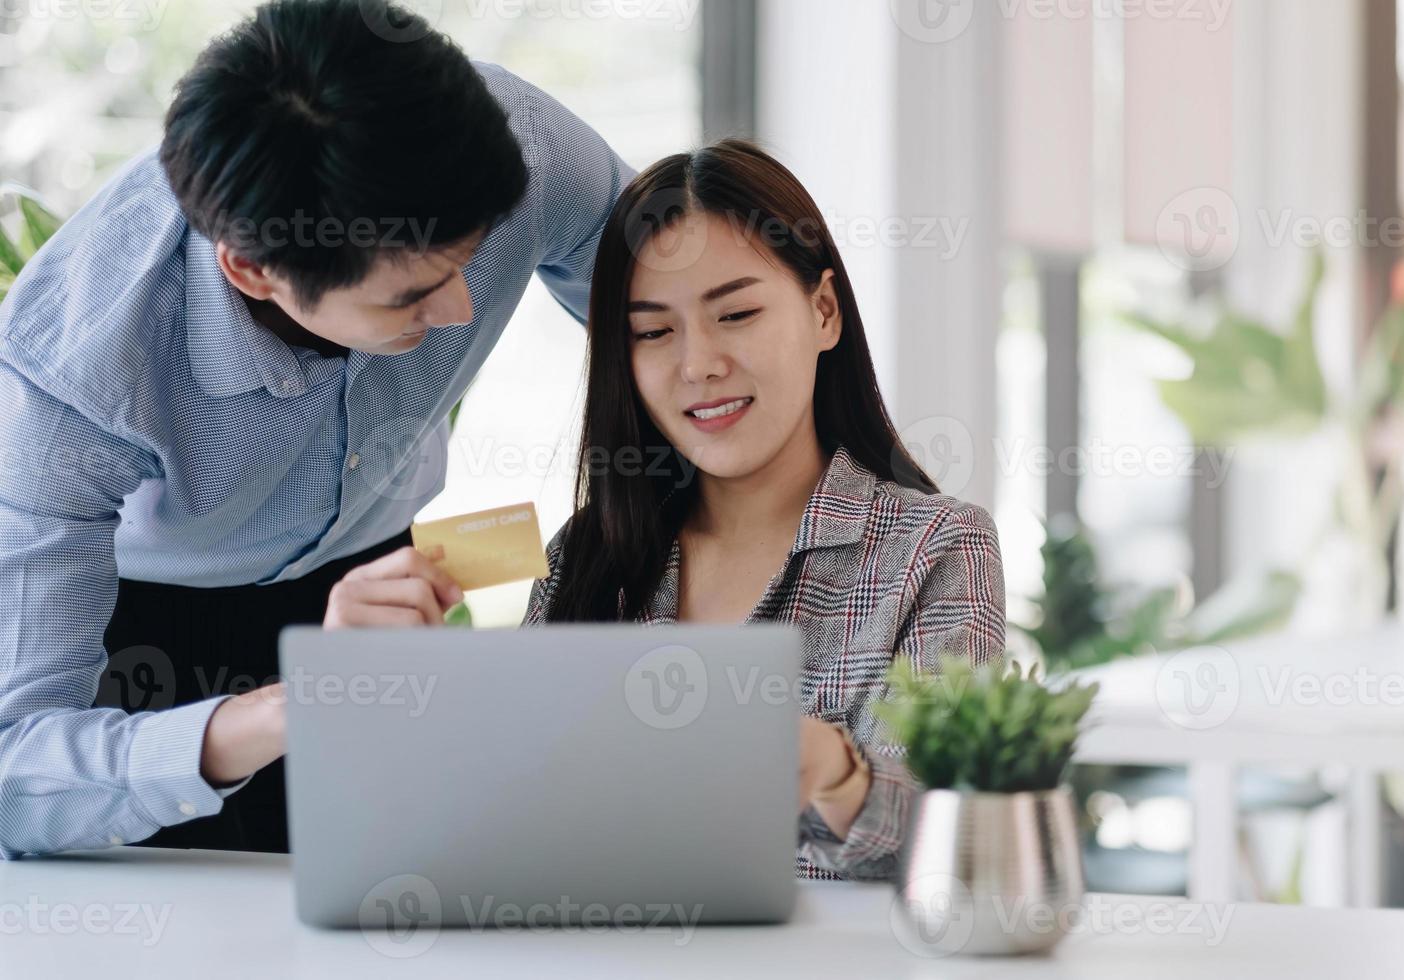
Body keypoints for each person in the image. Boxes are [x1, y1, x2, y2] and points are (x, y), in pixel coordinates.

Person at [0, 0, 632, 858]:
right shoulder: (70, 382)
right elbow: (17, 777)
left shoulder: (517, 142)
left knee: (407, 885)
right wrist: (300, 700)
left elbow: (667, 296)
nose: (463, 309)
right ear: (254, 272)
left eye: (469, 256)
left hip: (379, 572)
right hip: (154, 631)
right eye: (410, 295)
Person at [326, 140, 1008, 880]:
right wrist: (380, 683)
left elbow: (964, 843)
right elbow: (492, 834)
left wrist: (838, 776)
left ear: (823, 311)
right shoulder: (583, 556)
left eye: (737, 313)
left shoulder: (936, 548)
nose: (698, 364)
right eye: (653, 331)